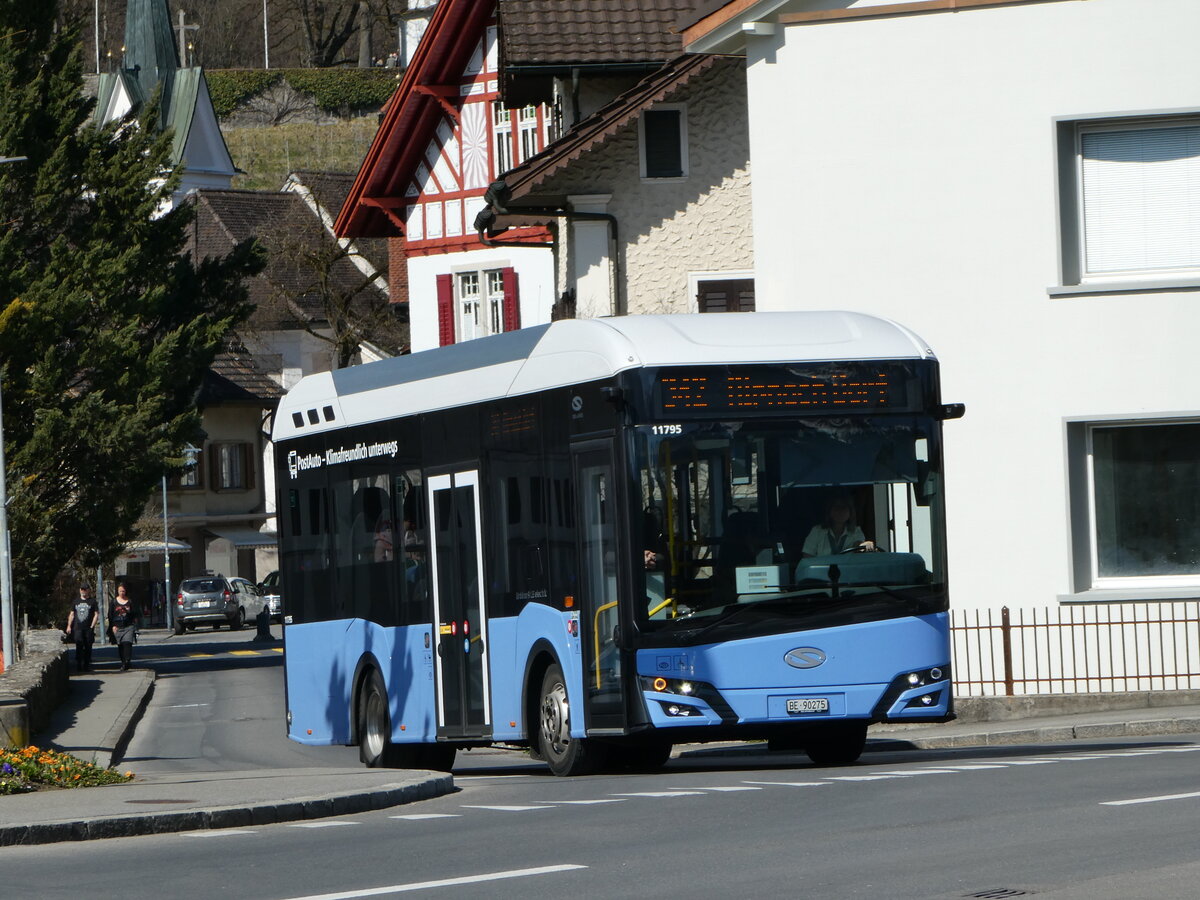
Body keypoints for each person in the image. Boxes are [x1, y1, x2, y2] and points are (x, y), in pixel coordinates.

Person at [801, 495, 875, 557]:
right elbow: (807, 557)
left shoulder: (856, 531)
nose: (840, 511)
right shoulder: (817, 531)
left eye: (844, 507)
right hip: (821, 574)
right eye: (836, 507)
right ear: (829, 511)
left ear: (850, 512)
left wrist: (865, 544)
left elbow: (859, 545)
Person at [64, 584, 99, 673]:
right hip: (78, 627)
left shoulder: (92, 601)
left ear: (88, 590)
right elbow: (72, 614)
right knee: (79, 645)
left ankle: (86, 665)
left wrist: (92, 626)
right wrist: (69, 626)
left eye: (85, 589)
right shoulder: (76, 601)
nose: (83, 591)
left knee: (88, 646)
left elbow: (96, 614)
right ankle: (79, 664)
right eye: (81, 589)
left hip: (88, 628)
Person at [108, 583, 140, 671]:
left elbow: (135, 614)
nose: (122, 593)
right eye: (120, 591)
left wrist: (129, 611)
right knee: (121, 645)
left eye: (123, 591)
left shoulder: (130, 601)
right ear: (117, 591)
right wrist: (113, 626)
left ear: (126, 591)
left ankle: (127, 660)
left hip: (128, 626)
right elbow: (110, 615)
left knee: (127, 643)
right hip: (118, 627)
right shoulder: (113, 602)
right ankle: (123, 662)